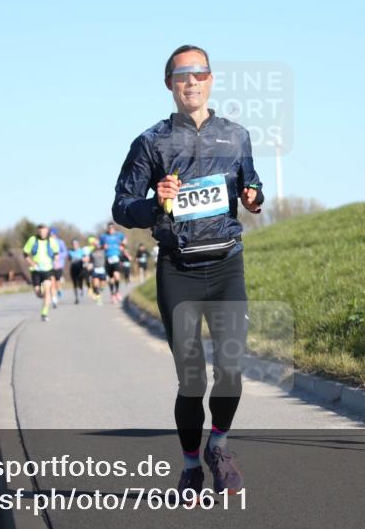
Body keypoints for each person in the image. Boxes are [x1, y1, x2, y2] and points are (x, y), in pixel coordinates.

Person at [112, 45, 265, 502]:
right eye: (182, 75)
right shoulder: (151, 142)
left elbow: (250, 184)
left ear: (211, 80)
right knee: (192, 378)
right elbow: (122, 207)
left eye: (199, 73)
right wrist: (155, 200)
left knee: (232, 368)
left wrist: (255, 196)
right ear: (170, 84)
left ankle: (218, 445)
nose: (192, 82)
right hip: (177, 269)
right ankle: (191, 464)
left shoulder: (236, 136)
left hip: (225, 264)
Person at [23, 224, 60, 322]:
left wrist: (56, 259)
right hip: (35, 270)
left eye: (44, 231)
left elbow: (56, 252)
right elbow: (25, 254)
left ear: (47, 231)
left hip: (47, 269)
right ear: (37, 231)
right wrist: (32, 263)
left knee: (47, 289)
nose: (42, 233)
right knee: (38, 292)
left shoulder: (51, 241)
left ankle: (44, 313)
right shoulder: (32, 240)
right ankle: (42, 296)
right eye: (40, 232)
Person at [99, 222, 126, 303]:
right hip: (108, 259)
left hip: (116, 258)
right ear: (107, 229)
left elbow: (124, 240)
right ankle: (112, 294)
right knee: (110, 279)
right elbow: (99, 246)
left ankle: (117, 292)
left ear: (114, 228)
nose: (111, 229)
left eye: (112, 228)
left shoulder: (119, 235)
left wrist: (123, 245)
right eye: (109, 228)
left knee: (117, 276)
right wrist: (103, 246)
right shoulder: (103, 236)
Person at [50, 228, 68, 308]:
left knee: (57, 281)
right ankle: (54, 300)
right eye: (50, 234)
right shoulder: (47, 242)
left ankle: (59, 289)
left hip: (58, 265)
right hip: (49, 266)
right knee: (51, 283)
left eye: (53, 234)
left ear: (55, 234)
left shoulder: (60, 242)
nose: (51, 235)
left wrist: (58, 257)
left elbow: (65, 252)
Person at [68, 239, 87, 304]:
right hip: (73, 268)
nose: (74, 245)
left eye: (75, 244)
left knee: (80, 282)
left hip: (80, 268)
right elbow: (69, 259)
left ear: (78, 244)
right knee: (75, 283)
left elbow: (85, 259)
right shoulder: (70, 251)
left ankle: (82, 289)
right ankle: (76, 298)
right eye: (73, 244)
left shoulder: (81, 251)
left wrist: (82, 259)